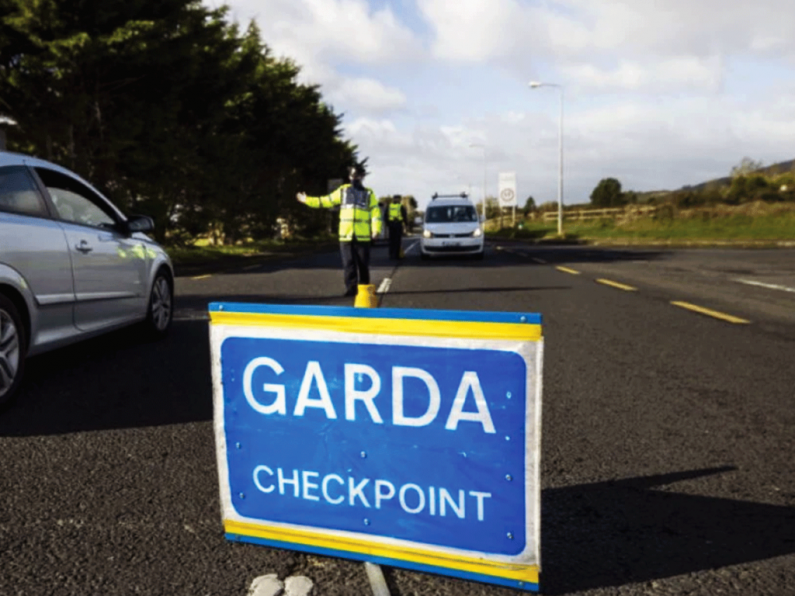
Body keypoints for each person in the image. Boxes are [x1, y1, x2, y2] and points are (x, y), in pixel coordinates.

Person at [297, 164, 382, 297]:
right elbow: (326, 201)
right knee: (348, 264)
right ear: (349, 176)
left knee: (363, 265)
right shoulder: (343, 191)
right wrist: (307, 200)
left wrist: (376, 230)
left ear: (362, 177)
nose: (355, 178)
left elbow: (375, 213)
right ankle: (351, 289)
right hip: (346, 235)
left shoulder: (368, 193)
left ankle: (365, 290)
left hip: (363, 236)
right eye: (353, 176)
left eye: (358, 176)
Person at [386, 194, 408, 260]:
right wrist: (406, 225)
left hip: (391, 225)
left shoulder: (389, 206)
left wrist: (388, 224)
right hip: (398, 225)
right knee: (397, 241)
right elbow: (404, 216)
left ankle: (391, 254)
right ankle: (396, 255)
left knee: (391, 241)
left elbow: (386, 216)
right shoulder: (400, 206)